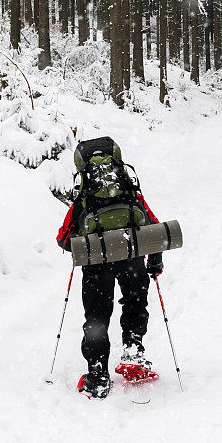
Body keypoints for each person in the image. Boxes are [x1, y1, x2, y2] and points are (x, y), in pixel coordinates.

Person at [56, 136, 164, 399]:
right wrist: (155, 260)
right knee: (135, 302)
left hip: (96, 264)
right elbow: (152, 223)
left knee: (96, 316)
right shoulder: (128, 187)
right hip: (131, 254)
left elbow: (63, 238)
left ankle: (97, 376)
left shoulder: (85, 193)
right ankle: (133, 352)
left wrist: (86, 242)